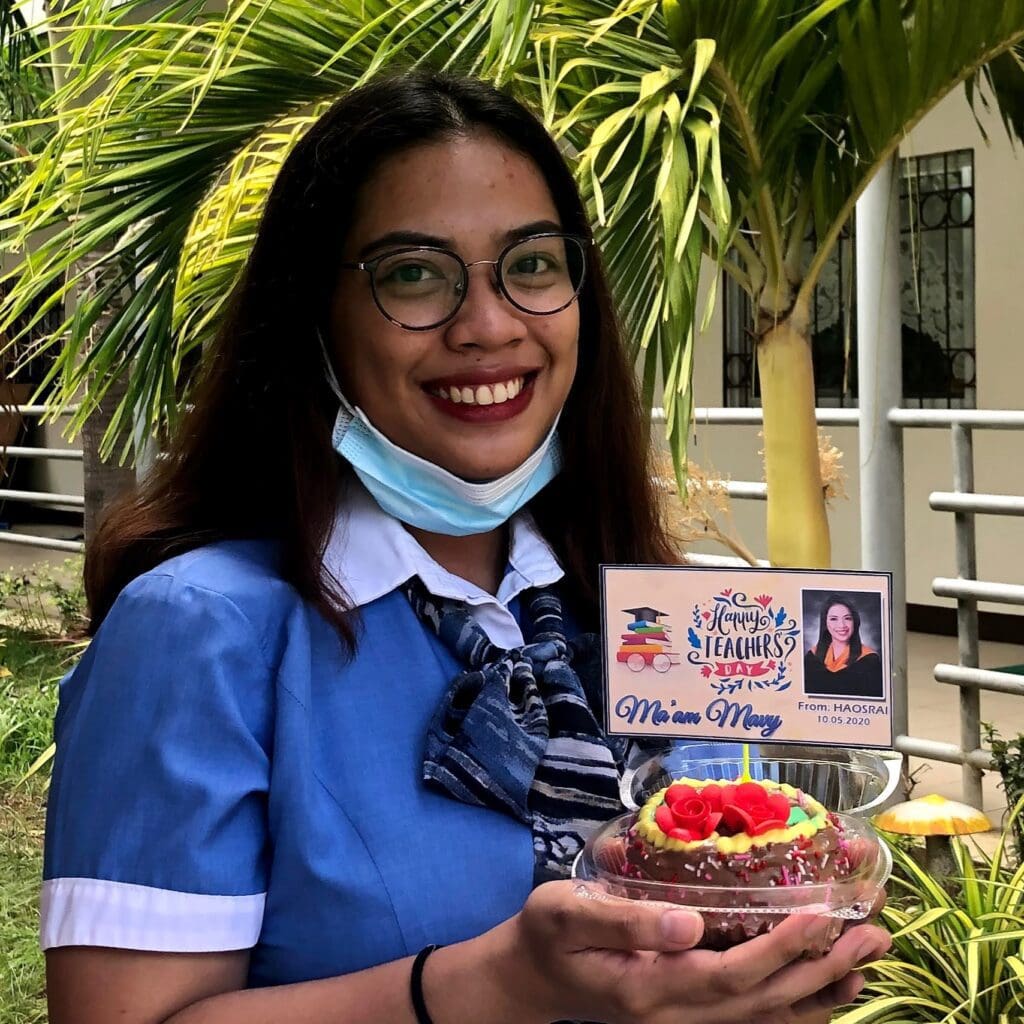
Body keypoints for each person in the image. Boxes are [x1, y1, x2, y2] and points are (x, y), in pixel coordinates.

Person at [42, 72, 889, 1024]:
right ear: (313, 319)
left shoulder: (651, 621)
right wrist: (502, 983)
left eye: (531, 265)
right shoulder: (197, 632)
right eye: (413, 273)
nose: (487, 325)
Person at [804, 595, 885, 699]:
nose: (841, 625)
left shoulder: (869, 661)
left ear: (855, 622)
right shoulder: (812, 658)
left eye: (847, 618)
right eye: (833, 619)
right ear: (825, 623)